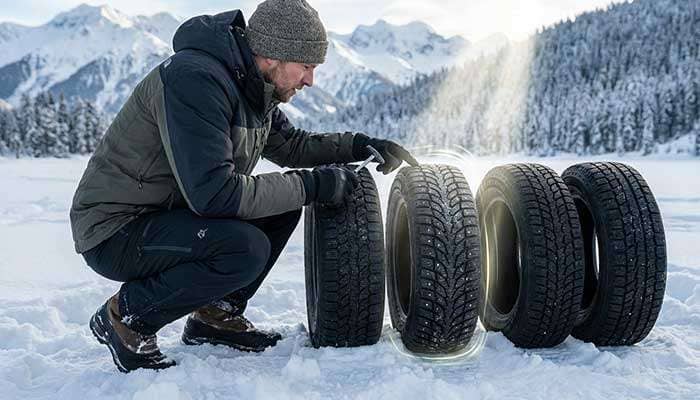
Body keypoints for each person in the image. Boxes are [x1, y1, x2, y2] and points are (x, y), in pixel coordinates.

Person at [70, 0, 418, 373]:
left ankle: (214, 315)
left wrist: (357, 144)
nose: (310, 80)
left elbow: (292, 146)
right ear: (274, 56)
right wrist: (312, 185)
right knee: (243, 249)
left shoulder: (249, 85)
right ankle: (126, 316)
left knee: (281, 204)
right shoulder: (197, 81)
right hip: (116, 228)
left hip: (168, 213)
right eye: (306, 66)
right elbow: (214, 195)